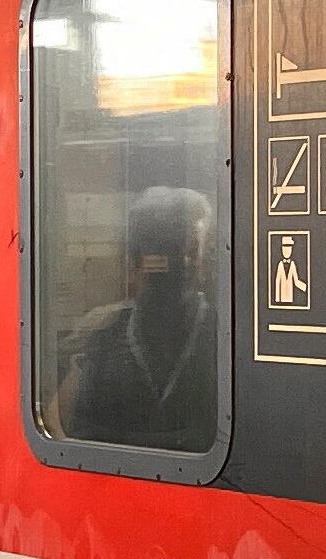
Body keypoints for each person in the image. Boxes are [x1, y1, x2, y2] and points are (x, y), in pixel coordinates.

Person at [54, 185, 217, 452]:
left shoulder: (222, 337)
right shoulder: (100, 333)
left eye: (188, 253)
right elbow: (61, 426)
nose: (176, 266)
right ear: (131, 263)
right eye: (158, 251)